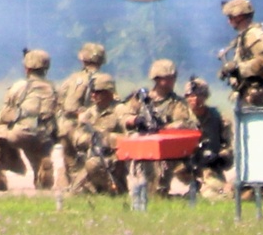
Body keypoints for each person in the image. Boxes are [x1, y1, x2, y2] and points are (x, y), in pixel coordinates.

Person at [0, 49, 58, 191]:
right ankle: (41, 174)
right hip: (45, 135)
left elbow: (6, 114)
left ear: (27, 68)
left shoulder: (20, 86)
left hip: (22, 132)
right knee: (38, 154)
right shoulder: (53, 88)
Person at [123, 59, 197, 198]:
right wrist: (136, 120)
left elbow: (184, 123)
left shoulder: (177, 103)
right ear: (156, 79)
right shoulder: (141, 98)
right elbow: (124, 117)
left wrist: (163, 127)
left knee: (158, 187)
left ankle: (159, 193)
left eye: (173, 78)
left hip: (165, 149)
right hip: (141, 144)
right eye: (167, 78)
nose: (171, 81)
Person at [68, 73, 130, 195]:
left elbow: (129, 137)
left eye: (98, 92)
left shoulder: (120, 110)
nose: (93, 95)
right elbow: (76, 138)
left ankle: (116, 191)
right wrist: (90, 139)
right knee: (75, 192)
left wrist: (108, 139)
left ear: (109, 92)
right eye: (92, 91)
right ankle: (99, 191)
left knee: (93, 164)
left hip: (114, 160)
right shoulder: (89, 113)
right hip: (92, 155)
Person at [57, 42, 106, 184]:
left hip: (65, 126)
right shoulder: (103, 79)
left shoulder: (72, 78)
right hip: (86, 127)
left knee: (71, 166)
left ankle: (71, 189)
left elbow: (60, 99)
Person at [218, 0, 263, 106]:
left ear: (240, 16)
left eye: (230, 17)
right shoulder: (243, 36)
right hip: (247, 97)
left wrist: (237, 68)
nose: (229, 21)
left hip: (257, 99)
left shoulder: (253, 35)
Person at [183, 77, 233, 198]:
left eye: (198, 95)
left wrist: (219, 156)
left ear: (205, 97)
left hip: (210, 168)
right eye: (190, 96)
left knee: (223, 194)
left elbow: (230, 145)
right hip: (184, 168)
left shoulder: (217, 118)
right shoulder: (181, 116)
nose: (194, 99)